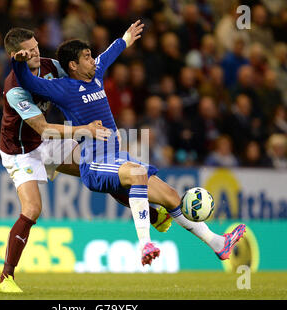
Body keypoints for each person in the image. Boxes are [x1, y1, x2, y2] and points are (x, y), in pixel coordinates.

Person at [12, 19, 246, 284]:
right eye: (87, 57)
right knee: (137, 174)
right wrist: (18, 62)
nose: (93, 60)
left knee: (170, 196)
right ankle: (146, 244)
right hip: (95, 163)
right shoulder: (63, 89)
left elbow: (110, 53)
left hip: (118, 158)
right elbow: (28, 82)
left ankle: (218, 244)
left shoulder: (96, 74)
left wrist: (125, 37)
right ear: (73, 66)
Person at [0, 27, 172, 293]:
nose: (35, 53)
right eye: (29, 50)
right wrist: (85, 130)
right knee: (32, 209)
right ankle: (6, 278)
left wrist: (123, 41)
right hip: (21, 150)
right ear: (15, 54)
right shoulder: (14, 88)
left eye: (36, 47)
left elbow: (88, 70)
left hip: (50, 144)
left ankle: (151, 215)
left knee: (101, 169)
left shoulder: (52, 66)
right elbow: (43, 128)